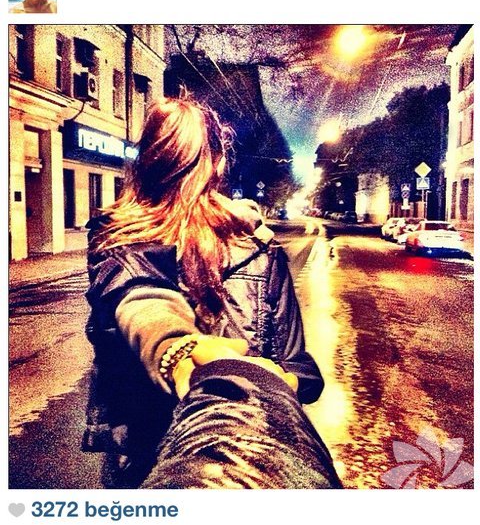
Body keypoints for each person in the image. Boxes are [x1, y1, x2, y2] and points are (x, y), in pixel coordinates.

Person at [83, 96, 325, 487]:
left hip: (143, 462)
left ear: (144, 160)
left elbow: (132, 297)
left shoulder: (113, 239)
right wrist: (270, 383)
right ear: (218, 162)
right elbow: (145, 301)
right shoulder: (258, 246)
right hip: (245, 456)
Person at [142, 339, 343, 489]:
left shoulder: (269, 290)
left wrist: (272, 378)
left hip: (272, 433)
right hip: (147, 457)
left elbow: (305, 370)